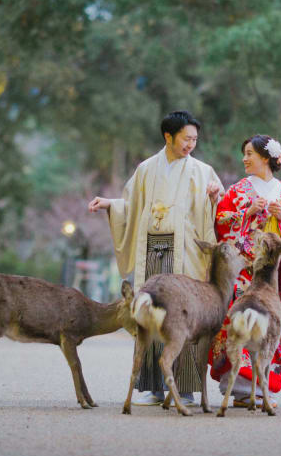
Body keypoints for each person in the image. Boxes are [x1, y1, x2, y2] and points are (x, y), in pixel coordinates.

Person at [88, 110, 223, 405]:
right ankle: (154, 387)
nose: (191, 145)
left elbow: (219, 206)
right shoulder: (147, 169)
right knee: (152, 312)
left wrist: (215, 196)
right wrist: (111, 204)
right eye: (186, 138)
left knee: (185, 315)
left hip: (185, 253)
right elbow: (132, 205)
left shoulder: (203, 171)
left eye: (194, 139)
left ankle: (185, 389)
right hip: (153, 250)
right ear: (168, 136)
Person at [209, 134, 281, 407]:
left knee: (270, 325)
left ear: (265, 158)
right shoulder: (238, 191)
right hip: (244, 272)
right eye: (244, 154)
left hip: (273, 275)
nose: (245, 158)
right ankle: (239, 389)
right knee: (240, 323)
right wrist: (247, 213)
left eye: (249, 154)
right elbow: (222, 224)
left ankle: (264, 388)